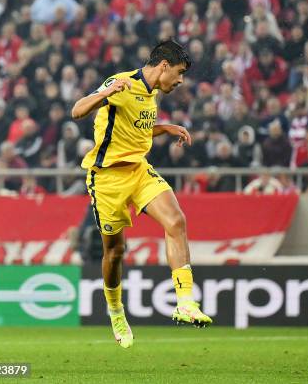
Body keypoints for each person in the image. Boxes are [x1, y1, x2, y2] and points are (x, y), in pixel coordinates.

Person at [71, 40, 212, 349]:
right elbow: (77, 110)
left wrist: (165, 128)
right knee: (115, 252)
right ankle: (116, 310)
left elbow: (135, 130)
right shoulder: (121, 83)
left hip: (137, 170)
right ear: (163, 66)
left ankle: (185, 301)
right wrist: (106, 93)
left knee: (176, 221)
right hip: (107, 179)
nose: (180, 80)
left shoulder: (150, 94)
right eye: (179, 72)